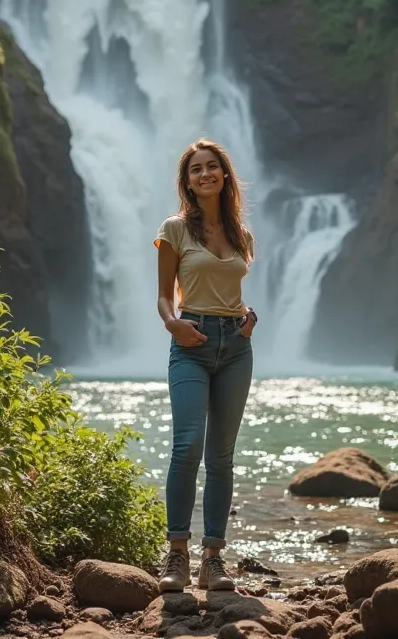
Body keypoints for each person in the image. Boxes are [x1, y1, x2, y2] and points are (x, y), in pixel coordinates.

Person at [154, 138, 257, 594]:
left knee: (221, 456)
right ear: (188, 181)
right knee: (187, 445)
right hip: (190, 342)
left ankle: (213, 560)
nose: (205, 174)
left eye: (212, 167)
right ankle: (176, 553)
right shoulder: (174, 229)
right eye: (196, 169)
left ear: (225, 176)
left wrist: (248, 316)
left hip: (235, 346)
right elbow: (163, 294)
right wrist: (173, 324)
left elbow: (229, 290)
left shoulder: (242, 236)